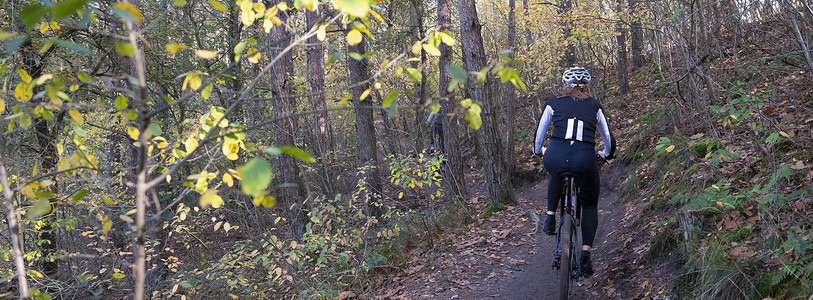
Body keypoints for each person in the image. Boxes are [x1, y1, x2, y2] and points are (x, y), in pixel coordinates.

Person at [533, 67, 615, 277]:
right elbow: (608, 139)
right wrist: (606, 154)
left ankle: (550, 217)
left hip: (555, 155)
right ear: (586, 87)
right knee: (589, 203)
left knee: (557, 172)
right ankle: (586, 255)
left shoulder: (553, 102)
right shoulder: (595, 106)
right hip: (585, 159)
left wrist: (539, 151)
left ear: (564, 86)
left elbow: (539, 134)